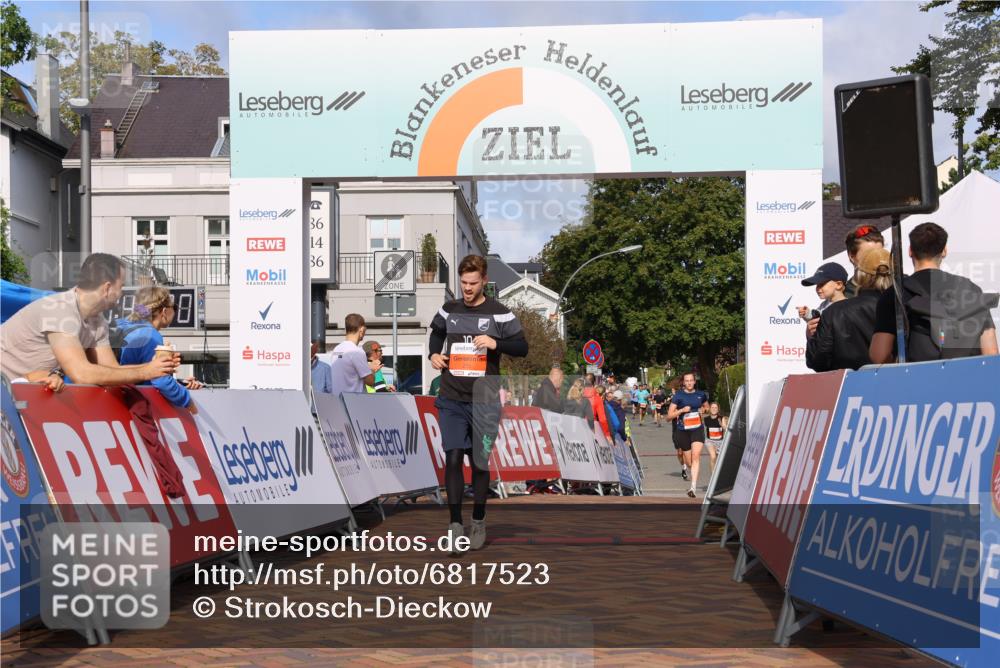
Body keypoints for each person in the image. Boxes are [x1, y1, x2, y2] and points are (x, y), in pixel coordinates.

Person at [428, 255, 528, 553]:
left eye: (473, 283)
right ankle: (455, 525)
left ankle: (480, 518)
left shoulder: (500, 314)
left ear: (484, 280)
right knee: (454, 457)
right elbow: (436, 333)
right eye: (463, 283)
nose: (467, 288)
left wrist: (497, 343)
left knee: (480, 462)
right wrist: (434, 354)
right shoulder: (449, 309)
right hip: (451, 398)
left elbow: (522, 347)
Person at [0, 253, 177, 385]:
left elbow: (112, 371)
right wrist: (146, 372)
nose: (122, 293)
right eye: (121, 286)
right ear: (107, 288)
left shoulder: (97, 321)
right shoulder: (60, 309)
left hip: (13, 392)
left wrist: (156, 367)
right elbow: (81, 373)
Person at [871, 222, 998, 364]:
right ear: (944, 251)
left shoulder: (895, 294)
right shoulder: (970, 288)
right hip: (966, 379)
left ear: (910, 251)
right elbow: (991, 352)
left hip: (918, 380)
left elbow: (879, 355)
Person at [115, 286, 204, 411]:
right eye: (175, 307)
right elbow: (160, 380)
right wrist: (188, 402)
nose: (175, 311)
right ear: (164, 311)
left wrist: (179, 384)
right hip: (129, 405)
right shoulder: (150, 335)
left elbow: (141, 374)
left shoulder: (121, 326)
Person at [807, 247, 893, 372]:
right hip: (896, 383)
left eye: (822, 284)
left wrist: (811, 338)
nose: (818, 288)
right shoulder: (904, 305)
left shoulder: (833, 312)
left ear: (860, 276)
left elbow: (817, 361)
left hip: (848, 386)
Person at [805, 225, 886, 337]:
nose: (876, 259)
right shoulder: (842, 296)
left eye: (880, 252)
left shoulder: (901, 286)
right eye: (868, 255)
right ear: (851, 256)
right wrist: (812, 335)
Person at [666, 372, 709, 498]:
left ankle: (693, 487)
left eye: (691, 380)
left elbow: (706, 407)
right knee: (690, 462)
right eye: (687, 381)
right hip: (682, 430)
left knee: (696, 457)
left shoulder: (701, 394)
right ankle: (690, 472)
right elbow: (668, 417)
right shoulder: (678, 396)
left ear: (695, 381)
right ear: (683, 382)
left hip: (697, 429)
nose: (689, 383)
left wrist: (703, 410)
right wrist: (681, 410)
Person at [329, 314, 381, 395]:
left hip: (338, 401)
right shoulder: (357, 352)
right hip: (353, 402)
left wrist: (368, 367)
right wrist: (373, 370)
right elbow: (370, 381)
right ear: (362, 330)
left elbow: (349, 371)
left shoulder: (336, 350)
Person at [582, 373, 611, 438]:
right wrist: (607, 434)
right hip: (592, 430)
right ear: (594, 383)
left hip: (578, 429)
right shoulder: (597, 399)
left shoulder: (578, 396)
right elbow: (602, 419)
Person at [702, 402, 728, 473]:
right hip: (710, 441)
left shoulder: (721, 418)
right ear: (710, 409)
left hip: (720, 441)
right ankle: (713, 476)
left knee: (718, 460)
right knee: (713, 457)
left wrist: (721, 425)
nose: (714, 409)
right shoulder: (706, 419)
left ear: (718, 409)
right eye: (712, 407)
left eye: (715, 408)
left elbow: (725, 428)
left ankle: (717, 475)